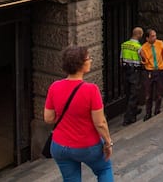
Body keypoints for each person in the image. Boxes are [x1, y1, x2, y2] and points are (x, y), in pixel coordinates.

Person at [44, 45, 114, 182]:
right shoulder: (91, 90)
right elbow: (100, 123)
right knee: (104, 169)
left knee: (71, 179)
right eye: (88, 58)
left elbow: (48, 118)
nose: (91, 60)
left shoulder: (54, 87)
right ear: (80, 64)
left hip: (59, 146)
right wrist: (108, 142)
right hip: (87, 145)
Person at [139, 28, 163, 121]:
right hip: (150, 71)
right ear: (147, 38)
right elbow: (144, 62)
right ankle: (148, 112)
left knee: (159, 92)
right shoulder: (143, 48)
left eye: (155, 35)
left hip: (160, 70)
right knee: (148, 94)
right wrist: (143, 58)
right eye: (152, 36)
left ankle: (157, 109)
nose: (154, 38)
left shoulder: (160, 43)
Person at [119, 27, 143, 126]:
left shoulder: (124, 45)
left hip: (125, 71)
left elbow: (121, 60)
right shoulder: (138, 47)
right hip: (135, 71)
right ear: (139, 35)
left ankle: (134, 111)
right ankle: (128, 118)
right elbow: (143, 60)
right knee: (134, 94)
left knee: (128, 93)